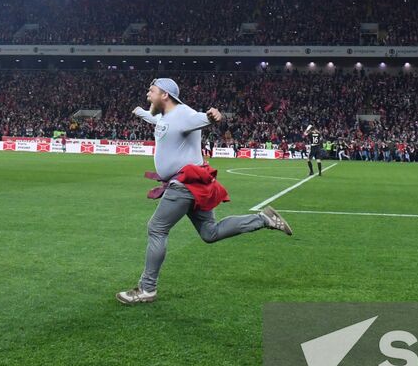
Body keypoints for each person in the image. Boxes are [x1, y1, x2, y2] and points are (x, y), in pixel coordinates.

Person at [116, 78, 291, 306]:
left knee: (156, 228)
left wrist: (213, 116)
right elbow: (155, 118)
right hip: (194, 185)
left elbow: (203, 118)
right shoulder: (165, 117)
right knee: (210, 232)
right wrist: (140, 112)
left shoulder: (184, 114)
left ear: (165, 95)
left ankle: (147, 289)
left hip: (183, 185)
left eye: (152, 91)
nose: (148, 94)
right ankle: (263, 219)